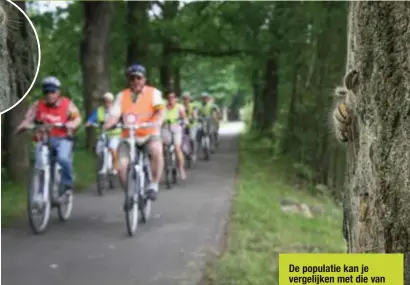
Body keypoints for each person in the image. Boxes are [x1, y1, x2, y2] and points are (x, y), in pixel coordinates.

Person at [104, 64, 165, 202]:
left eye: (139, 77)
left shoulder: (153, 93)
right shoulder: (122, 96)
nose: (136, 81)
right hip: (128, 136)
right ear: (128, 80)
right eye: (132, 78)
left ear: (144, 79)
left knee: (156, 150)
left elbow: (160, 111)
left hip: (149, 133)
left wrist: (158, 121)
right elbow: (114, 115)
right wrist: (109, 124)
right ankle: (130, 193)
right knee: (121, 166)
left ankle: (153, 185)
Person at [15, 76, 82, 196]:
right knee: (39, 163)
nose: (49, 95)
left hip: (63, 138)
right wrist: (22, 126)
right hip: (44, 140)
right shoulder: (38, 105)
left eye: (52, 91)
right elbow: (28, 119)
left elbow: (77, 118)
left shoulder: (67, 104)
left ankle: (67, 183)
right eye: (46, 91)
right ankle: (40, 192)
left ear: (58, 92)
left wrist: (69, 125)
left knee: (63, 158)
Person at [85, 92, 121, 174]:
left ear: (112, 101)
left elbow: (120, 119)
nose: (107, 103)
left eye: (109, 101)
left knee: (112, 148)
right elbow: (91, 119)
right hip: (103, 134)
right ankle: (101, 164)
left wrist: (118, 124)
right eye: (105, 101)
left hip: (114, 135)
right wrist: (89, 123)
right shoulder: (99, 110)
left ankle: (115, 167)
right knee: (98, 150)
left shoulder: (116, 110)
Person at [162, 91, 188, 179]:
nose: (171, 99)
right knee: (163, 147)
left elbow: (184, 117)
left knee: (177, 148)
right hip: (165, 129)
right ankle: (164, 166)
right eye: (169, 98)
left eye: (173, 97)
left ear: (176, 99)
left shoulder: (180, 107)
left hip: (176, 129)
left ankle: (181, 169)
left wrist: (184, 122)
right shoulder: (163, 107)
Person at [181, 91, 199, 162]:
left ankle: (194, 153)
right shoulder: (181, 106)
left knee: (192, 138)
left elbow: (195, 114)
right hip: (183, 125)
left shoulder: (193, 106)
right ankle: (184, 152)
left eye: (187, 98)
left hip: (192, 124)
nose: (186, 100)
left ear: (189, 99)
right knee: (181, 140)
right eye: (184, 98)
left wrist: (194, 117)